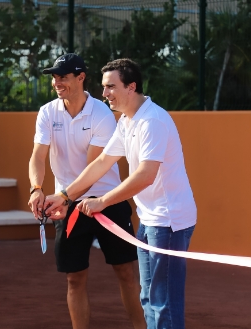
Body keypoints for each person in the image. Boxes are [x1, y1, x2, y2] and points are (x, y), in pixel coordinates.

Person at [45, 58, 197, 329]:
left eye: (111, 87)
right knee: (149, 297)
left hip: (170, 222)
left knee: (163, 302)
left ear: (131, 87)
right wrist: (66, 196)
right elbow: (102, 162)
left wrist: (102, 201)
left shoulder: (152, 121)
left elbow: (145, 176)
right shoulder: (127, 122)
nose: (104, 94)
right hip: (150, 219)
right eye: (103, 87)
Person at [27, 53, 145, 329]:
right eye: (55, 77)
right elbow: (37, 157)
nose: (57, 82)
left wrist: (65, 197)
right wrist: (36, 189)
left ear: (81, 78)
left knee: (126, 272)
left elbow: (95, 166)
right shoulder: (47, 112)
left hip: (107, 202)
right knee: (74, 278)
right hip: (66, 204)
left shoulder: (102, 113)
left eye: (63, 77)